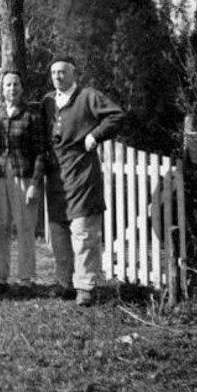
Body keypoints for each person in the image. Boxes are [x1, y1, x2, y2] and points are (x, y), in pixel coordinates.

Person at [42, 57, 124, 307]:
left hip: (82, 173)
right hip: (56, 175)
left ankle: (86, 286)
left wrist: (95, 135)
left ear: (74, 75)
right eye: (54, 72)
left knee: (83, 231)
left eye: (63, 72)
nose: (58, 76)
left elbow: (116, 115)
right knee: (58, 231)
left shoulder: (88, 96)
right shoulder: (47, 101)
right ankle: (64, 282)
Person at [0, 70, 47, 293]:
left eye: (16, 84)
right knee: (0, 228)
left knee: (25, 227)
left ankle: (25, 279)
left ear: (21, 88)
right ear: (1, 89)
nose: (12, 89)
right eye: (8, 85)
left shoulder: (32, 115)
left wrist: (35, 184)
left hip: (24, 176)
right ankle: (1, 279)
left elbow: (41, 152)